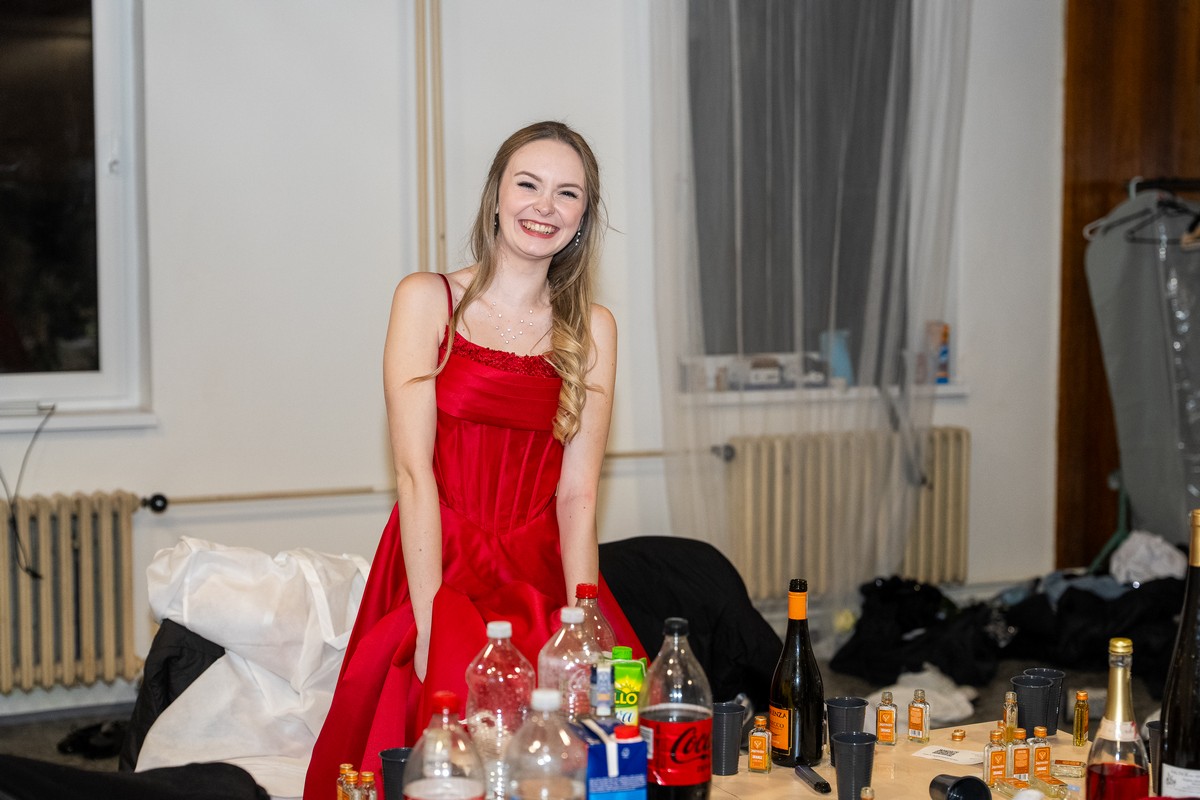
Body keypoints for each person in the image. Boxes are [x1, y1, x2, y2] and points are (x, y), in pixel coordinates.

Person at [304, 121, 645, 797]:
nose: (544, 206)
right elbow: (413, 475)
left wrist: (584, 626)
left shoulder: (594, 328)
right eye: (528, 184)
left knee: (591, 754)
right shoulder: (426, 298)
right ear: (496, 195)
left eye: (567, 193)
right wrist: (432, 624)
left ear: (583, 217)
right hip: (439, 558)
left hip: (542, 567)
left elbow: (578, 497)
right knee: (438, 756)